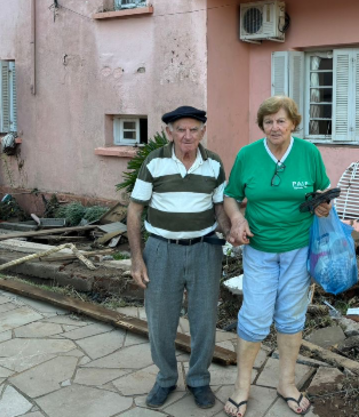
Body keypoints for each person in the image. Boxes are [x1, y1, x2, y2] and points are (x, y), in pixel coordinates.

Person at [223, 96, 332, 417]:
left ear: (293, 124)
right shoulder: (248, 155)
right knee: (255, 316)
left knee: (291, 316)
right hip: (259, 249)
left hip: (299, 249)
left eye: (281, 121)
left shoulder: (309, 153)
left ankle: (286, 383)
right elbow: (231, 196)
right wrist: (238, 219)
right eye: (268, 121)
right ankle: (242, 387)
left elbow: (322, 193)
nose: (275, 127)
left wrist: (323, 204)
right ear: (262, 125)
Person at [128, 105, 231, 410]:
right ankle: (166, 378)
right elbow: (135, 210)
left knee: (203, 319)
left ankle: (199, 379)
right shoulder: (155, 162)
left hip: (204, 249)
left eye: (194, 129)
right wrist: (136, 258)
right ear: (169, 132)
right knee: (160, 320)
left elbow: (218, 208)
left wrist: (230, 231)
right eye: (181, 130)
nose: (187, 136)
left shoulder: (214, 164)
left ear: (202, 132)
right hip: (161, 249)